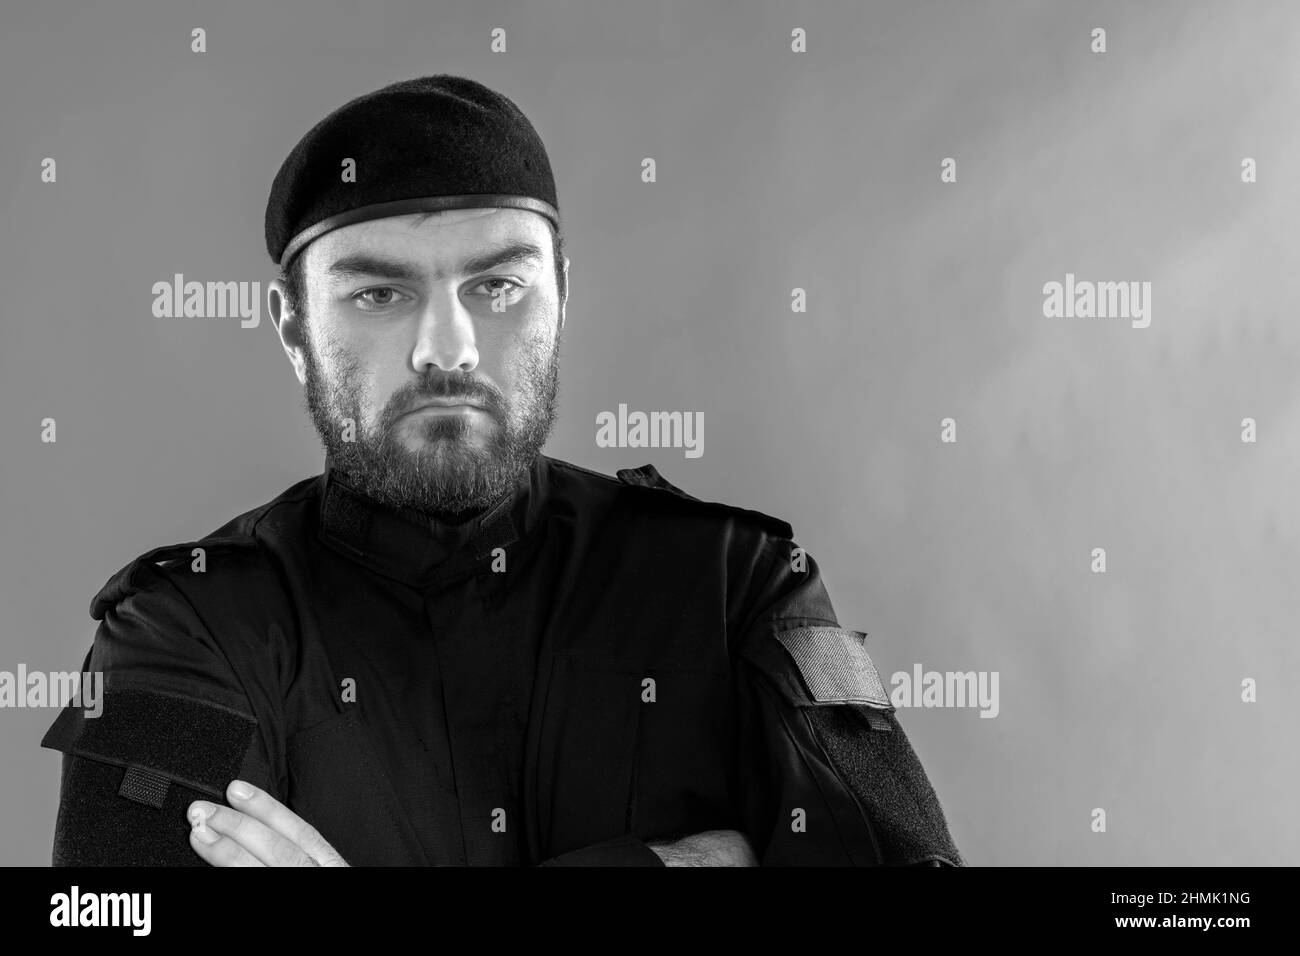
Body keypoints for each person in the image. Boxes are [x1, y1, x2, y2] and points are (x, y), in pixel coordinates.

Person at [41, 74, 964, 867]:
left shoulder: (740, 585)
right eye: (379, 292)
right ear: (294, 331)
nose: (447, 350)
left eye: (497, 287)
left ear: (561, 299)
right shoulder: (182, 623)